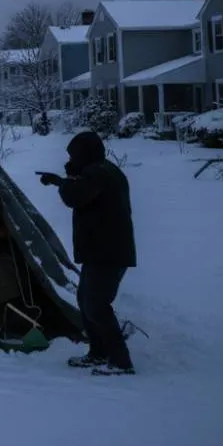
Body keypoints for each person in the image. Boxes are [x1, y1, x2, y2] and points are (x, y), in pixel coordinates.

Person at [38, 130, 138, 375]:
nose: (71, 159)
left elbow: (75, 196)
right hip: (103, 250)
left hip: (108, 252)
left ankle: (121, 361)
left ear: (84, 153)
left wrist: (64, 180)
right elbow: (82, 190)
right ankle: (98, 352)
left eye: (73, 155)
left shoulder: (97, 172)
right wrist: (65, 178)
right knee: (85, 301)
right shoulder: (103, 170)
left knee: (96, 306)